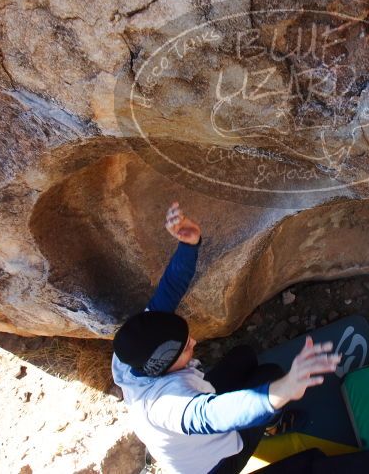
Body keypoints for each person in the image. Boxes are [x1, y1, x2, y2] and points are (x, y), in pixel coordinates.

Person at [111, 201, 341, 474]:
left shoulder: (134, 352)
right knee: (270, 376)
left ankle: (266, 410)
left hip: (191, 424)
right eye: (186, 348)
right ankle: (273, 426)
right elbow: (213, 414)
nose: (194, 343)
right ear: (162, 366)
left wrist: (189, 245)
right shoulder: (166, 406)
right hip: (217, 465)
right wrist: (284, 389)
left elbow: (170, 289)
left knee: (243, 356)